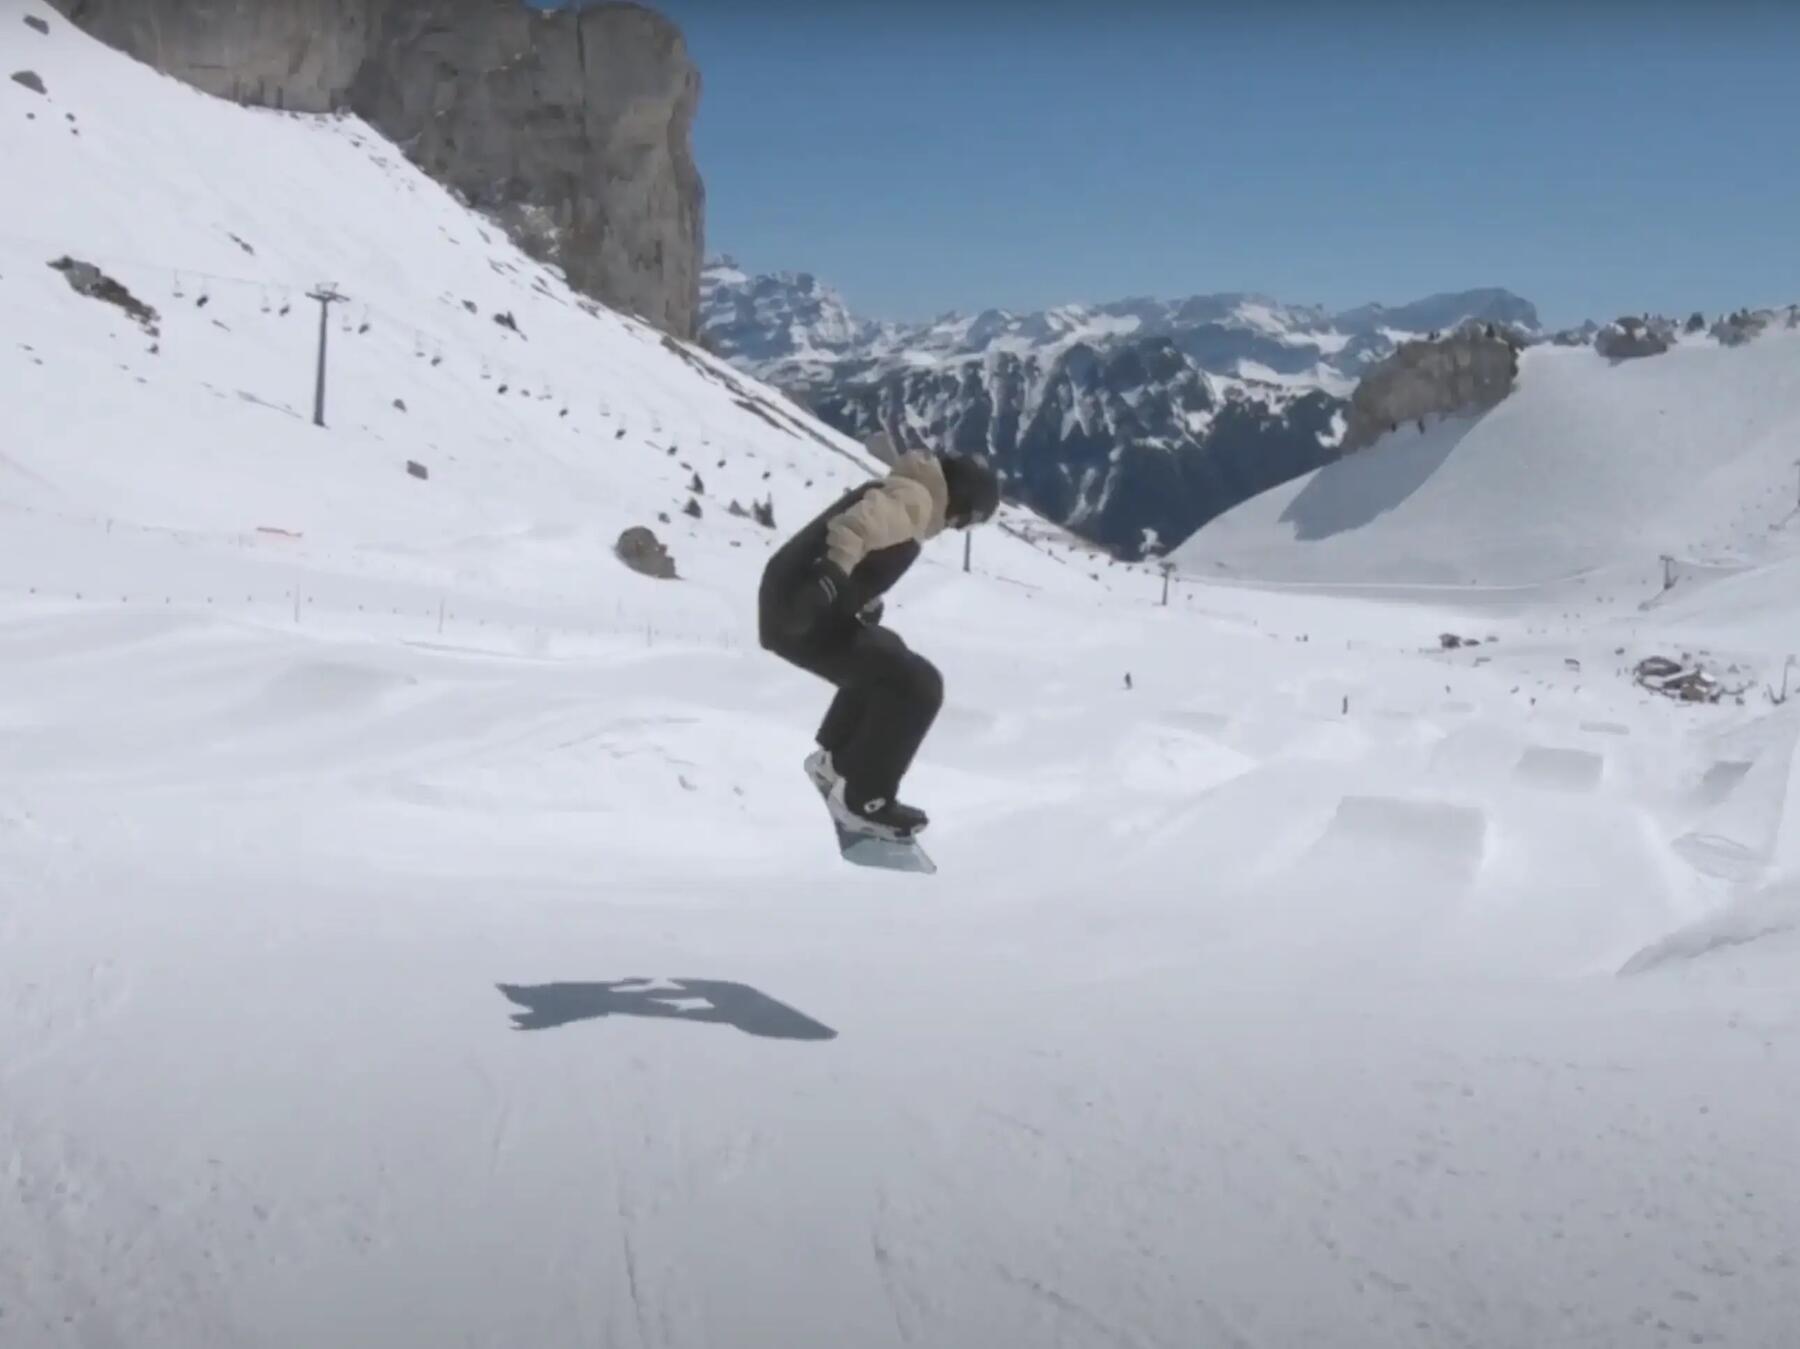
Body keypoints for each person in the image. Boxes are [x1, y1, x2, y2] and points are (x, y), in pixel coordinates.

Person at [759, 449, 1000, 839]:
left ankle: (836, 761)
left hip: (798, 606)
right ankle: (864, 800)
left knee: (887, 653)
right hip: (800, 616)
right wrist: (832, 574)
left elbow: (868, 545)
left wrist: (859, 596)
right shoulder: (917, 502)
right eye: (967, 519)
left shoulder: (909, 491)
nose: (956, 526)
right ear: (960, 499)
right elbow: (856, 527)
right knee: (918, 688)